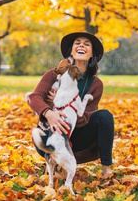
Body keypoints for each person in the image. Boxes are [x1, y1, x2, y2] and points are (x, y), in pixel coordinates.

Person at [28, 31, 114, 176]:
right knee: (43, 132)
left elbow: (86, 117)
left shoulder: (96, 84)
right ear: (71, 51)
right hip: (50, 134)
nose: (81, 45)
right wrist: (49, 113)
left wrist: (66, 104)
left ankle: (106, 169)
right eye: (77, 43)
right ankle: (51, 161)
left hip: (77, 136)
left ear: (92, 54)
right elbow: (34, 97)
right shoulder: (54, 74)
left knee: (105, 116)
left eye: (87, 44)